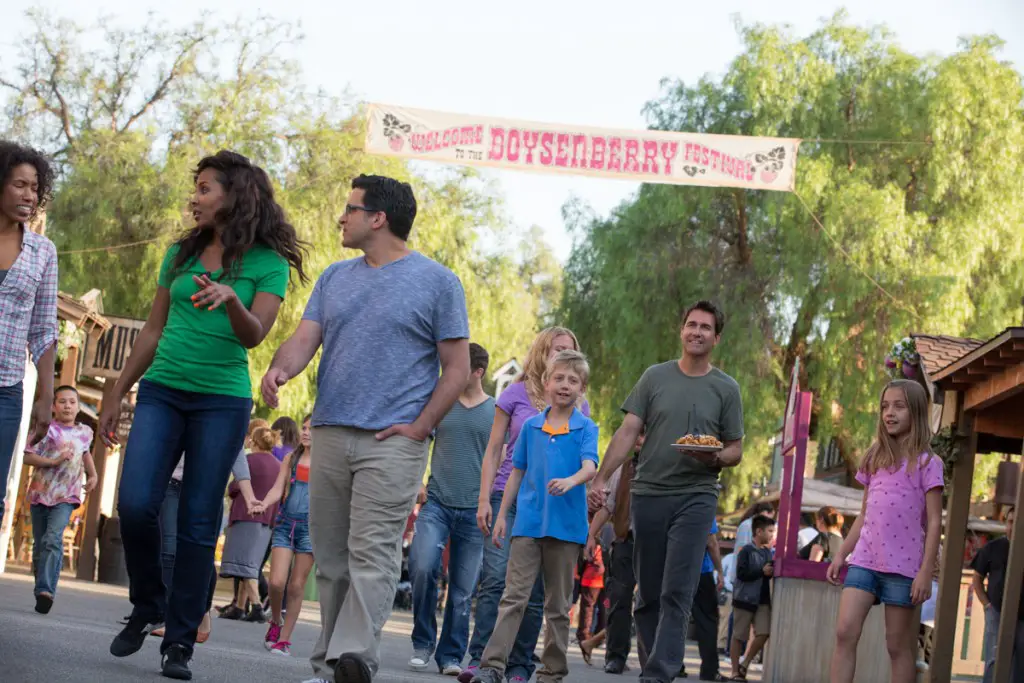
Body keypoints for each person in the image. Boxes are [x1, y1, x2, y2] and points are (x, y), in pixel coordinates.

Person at [100, 150, 306, 681]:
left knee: (196, 524)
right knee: (137, 501)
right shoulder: (181, 253)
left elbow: (254, 334)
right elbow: (151, 330)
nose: (195, 197)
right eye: (196, 187)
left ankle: (180, 639)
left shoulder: (267, 263)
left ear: (235, 194)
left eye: (205, 187)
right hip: (163, 390)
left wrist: (230, 300)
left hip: (221, 400)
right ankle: (149, 603)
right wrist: (117, 391)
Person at [260, 174, 470, 683]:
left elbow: (457, 368)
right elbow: (304, 337)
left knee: (371, 551)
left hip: (392, 443)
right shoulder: (334, 277)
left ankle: (351, 656)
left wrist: (420, 427)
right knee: (330, 558)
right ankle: (331, 662)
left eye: (351, 208)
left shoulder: (438, 282)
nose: (342, 216)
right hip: (330, 432)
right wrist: (279, 367)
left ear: (378, 218)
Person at [589, 300, 744, 683]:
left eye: (705, 327)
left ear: (716, 337)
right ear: (682, 331)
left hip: (697, 495)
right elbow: (628, 432)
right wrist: (601, 478)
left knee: (678, 588)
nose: (697, 332)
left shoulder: (727, 388)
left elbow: (736, 450)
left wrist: (713, 457)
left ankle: (658, 673)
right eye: (691, 324)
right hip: (650, 494)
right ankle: (653, 663)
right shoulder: (654, 378)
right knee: (650, 592)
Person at [463, 327, 589, 683]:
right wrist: (488, 501)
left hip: (558, 511)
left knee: (540, 598)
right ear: (543, 358)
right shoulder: (520, 401)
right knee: (498, 583)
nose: (562, 357)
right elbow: (498, 453)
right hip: (513, 499)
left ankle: (522, 666)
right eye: (555, 351)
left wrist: (582, 487)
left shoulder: (582, 415)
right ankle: (484, 661)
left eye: (569, 352)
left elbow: (588, 463)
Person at [827, 379, 944, 683]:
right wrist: (842, 554)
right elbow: (864, 514)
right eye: (884, 407)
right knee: (844, 632)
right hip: (864, 559)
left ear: (916, 412)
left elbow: (933, 522)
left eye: (898, 406)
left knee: (897, 646)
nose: (889, 413)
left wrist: (925, 572)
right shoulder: (873, 458)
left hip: (904, 568)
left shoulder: (929, 463)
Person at [408, 343, 494, 674]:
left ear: (477, 372)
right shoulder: (441, 403)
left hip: (474, 512)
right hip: (437, 504)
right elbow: (419, 441)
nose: (450, 372)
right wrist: (417, 481)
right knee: (423, 565)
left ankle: (451, 656)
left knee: (462, 589)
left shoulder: (494, 412)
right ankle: (423, 641)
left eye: (459, 366)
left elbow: (498, 459)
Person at [0, 141, 58, 524]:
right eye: (21, 184)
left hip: (5, 389)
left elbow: (43, 330)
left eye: (35, 188)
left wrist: (46, 395)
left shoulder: (43, 251)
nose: (30, 195)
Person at [150, 444, 257, 643]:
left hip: (206, 488)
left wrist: (249, 497)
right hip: (173, 483)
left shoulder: (226, 415)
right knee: (169, 550)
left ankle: (202, 612)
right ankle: (168, 616)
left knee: (201, 552)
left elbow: (236, 452)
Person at [23, 386, 95, 614]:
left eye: (72, 402)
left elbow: (85, 454)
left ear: (78, 406)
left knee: (53, 539)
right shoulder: (45, 429)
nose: (67, 406)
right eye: (62, 402)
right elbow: (28, 457)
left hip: (66, 495)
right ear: (54, 406)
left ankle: (46, 591)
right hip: (40, 493)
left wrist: (92, 474)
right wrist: (53, 462)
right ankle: (40, 588)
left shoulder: (85, 431)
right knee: (39, 545)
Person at [585, 429, 644, 674]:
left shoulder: (667, 470)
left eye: (645, 435)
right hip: (625, 541)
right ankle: (616, 657)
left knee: (654, 602)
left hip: (656, 544)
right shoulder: (623, 469)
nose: (639, 440)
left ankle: (655, 660)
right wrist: (591, 535)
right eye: (637, 435)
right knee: (618, 599)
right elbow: (608, 507)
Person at [261, 415, 316, 656]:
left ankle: (284, 640)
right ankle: (275, 620)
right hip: (285, 524)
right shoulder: (290, 459)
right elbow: (277, 488)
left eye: (312, 429)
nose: (305, 433)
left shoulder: (328, 465)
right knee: (276, 582)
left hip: (311, 529)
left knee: (296, 585)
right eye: (304, 428)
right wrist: (263, 504)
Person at [219, 425, 281, 624]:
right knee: (252, 563)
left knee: (244, 564)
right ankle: (240, 606)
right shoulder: (278, 465)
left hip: (245, 515)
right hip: (268, 519)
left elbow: (234, 487)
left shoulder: (248, 461)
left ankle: (255, 606)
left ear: (254, 442)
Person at [971, 507, 1024, 682]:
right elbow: (977, 580)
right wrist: (987, 606)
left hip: (1023, 618)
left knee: (1020, 665)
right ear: (1006, 523)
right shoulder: (992, 548)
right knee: (994, 660)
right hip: (996, 612)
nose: (1013, 526)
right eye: (1010, 522)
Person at [728, 515, 775, 681]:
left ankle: (745, 664)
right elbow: (742, 574)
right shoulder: (746, 551)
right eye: (769, 531)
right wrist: (762, 572)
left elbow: (765, 575)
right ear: (758, 531)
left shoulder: (767, 552)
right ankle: (735, 672)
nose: (772, 535)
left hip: (762, 600)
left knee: (764, 632)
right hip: (744, 599)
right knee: (739, 636)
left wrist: (768, 573)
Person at [681, 520, 727, 682]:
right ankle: (709, 670)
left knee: (674, 616)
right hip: (701, 572)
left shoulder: (673, 502)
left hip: (676, 571)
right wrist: (720, 571)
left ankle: (673, 664)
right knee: (707, 621)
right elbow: (711, 542)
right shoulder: (704, 505)